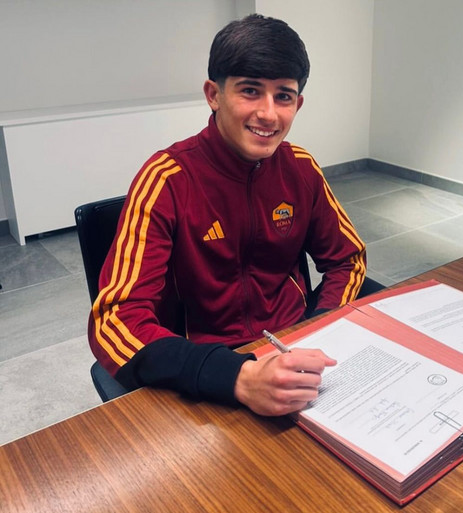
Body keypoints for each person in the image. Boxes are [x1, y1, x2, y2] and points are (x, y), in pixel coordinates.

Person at [88, 13, 366, 416]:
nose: (268, 114)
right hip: (202, 372)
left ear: (298, 104)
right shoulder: (166, 179)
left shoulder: (301, 169)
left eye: (283, 96)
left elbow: (347, 259)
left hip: (294, 351)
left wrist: (321, 325)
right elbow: (114, 320)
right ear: (213, 94)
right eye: (250, 91)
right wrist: (236, 375)